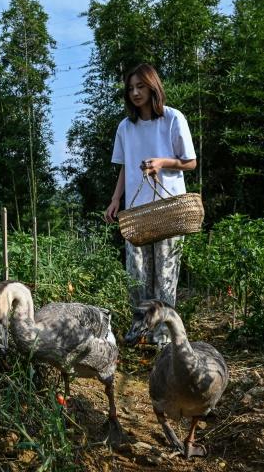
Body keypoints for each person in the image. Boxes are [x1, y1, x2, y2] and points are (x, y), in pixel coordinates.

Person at [104, 63, 197, 348]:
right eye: (131, 88)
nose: (135, 93)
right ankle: (141, 333)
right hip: (136, 213)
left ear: (153, 86)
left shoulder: (173, 118)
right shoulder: (125, 127)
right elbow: (125, 166)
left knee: (165, 277)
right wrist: (115, 199)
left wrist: (162, 162)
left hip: (168, 210)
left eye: (140, 86)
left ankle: (164, 338)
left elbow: (190, 162)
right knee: (137, 277)